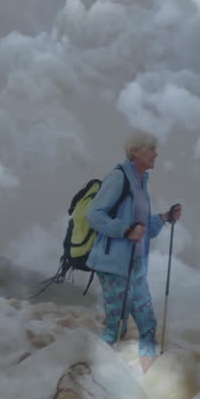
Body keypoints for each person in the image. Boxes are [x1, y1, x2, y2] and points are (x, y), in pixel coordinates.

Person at [85, 130, 182, 373]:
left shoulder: (140, 183)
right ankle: (88, 375)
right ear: (135, 151)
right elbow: (94, 215)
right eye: (151, 149)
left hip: (136, 266)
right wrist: (125, 230)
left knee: (148, 325)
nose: (155, 154)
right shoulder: (119, 178)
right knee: (115, 329)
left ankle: (150, 383)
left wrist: (164, 218)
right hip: (114, 265)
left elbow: (143, 228)